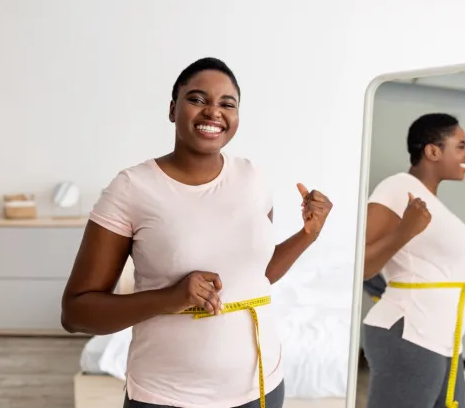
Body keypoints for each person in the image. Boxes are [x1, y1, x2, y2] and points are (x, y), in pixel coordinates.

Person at [60, 57, 333, 408]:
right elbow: (75, 313)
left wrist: (307, 235)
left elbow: (256, 276)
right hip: (166, 397)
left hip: (261, 387)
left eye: (226, 104)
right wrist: (171, 297)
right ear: (173, 109)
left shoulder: (253, 177)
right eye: (198, 99)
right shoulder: (132, 188)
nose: (213, 112)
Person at [361, 113, 465, 408]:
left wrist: (463, 268)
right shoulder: (396, 188)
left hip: (442, 336)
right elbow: (360, 266)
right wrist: (404, 231)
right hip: (409, 333)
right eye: (461, 145)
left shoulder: (431, 201)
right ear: (432, 151)